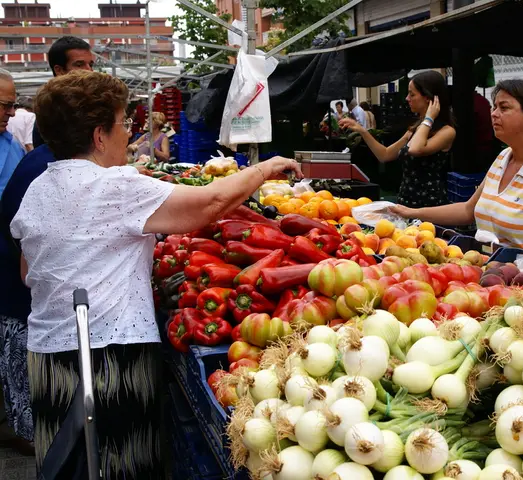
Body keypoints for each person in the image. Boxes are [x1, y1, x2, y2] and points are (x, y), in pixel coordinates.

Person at [9, 70, 302, 478]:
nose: (127, 135)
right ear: (99, 136)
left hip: (47, 353)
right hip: (112, 356)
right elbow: (211, 202)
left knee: (64, 462)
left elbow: (29, 270)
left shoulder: (38, 189)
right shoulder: (114, 186)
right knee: (121, 462)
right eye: (122, 124)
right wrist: (265, 168)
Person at [390, 79, 523, 255]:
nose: (494, 113)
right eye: (494, 107)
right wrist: (412, 212)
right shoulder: (504, 157)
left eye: (504, 107)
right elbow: (468, 210)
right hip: (495, 272)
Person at [341, 71, 456, 208]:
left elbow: (415, 149)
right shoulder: (414, 129)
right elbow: (385, 155)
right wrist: (362, 131)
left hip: (429, 205)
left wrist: (429, 118)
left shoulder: (447, 131)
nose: (407, 98)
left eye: (412, 94)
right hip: (405, 202)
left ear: (428, 98)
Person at [0, 69, 32, 454]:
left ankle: (13, 418)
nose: (9, 112)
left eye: (12, 104)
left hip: (11, 252)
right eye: (4, 105)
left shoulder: (10, 142)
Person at [32, 36, 94, 149]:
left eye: (90, 64)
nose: (89, 70)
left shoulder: (90, 104)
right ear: (59, 70)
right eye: (79, 65)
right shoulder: (53, 111)